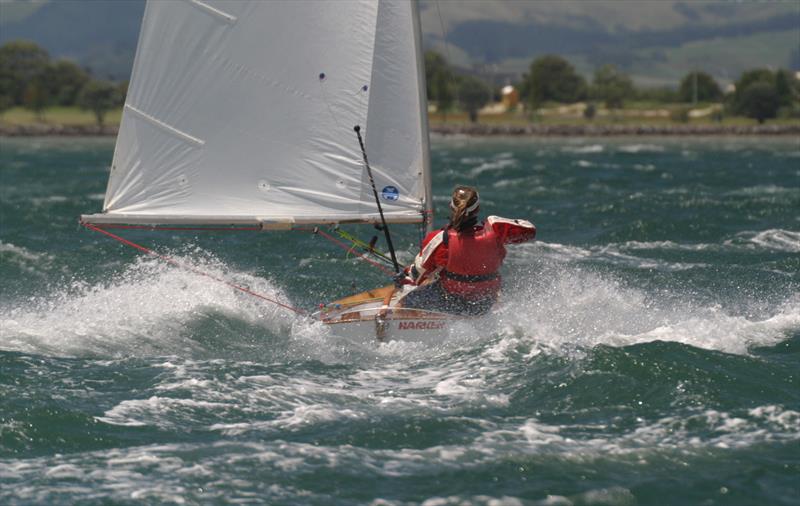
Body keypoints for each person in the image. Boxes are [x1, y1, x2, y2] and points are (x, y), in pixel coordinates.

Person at [397, 185, 535, 316]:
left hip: (452, 301)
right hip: (486, 301)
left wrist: (402, 278)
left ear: (451, 207)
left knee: (405, 301)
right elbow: (529, 230)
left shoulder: (441, 238)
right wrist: (496, 222)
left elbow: (417, 275)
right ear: (478, 208)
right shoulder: (496, 230)